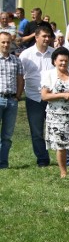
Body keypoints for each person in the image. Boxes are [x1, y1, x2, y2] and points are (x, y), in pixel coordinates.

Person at [40, 47, 69, 178]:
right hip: (55, 116)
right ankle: (63, 172)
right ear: (54, 61)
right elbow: (44, 96)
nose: (63, 63)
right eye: (60, 60)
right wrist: (63, 95)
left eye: (66, 60)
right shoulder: (48, 75)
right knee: (60, 145)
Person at [19, 26, 55, 167]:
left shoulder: (54, 54)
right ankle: (42, 159)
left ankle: (64, 158)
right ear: (36, 37)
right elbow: (20, 76)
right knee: (37, 132)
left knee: (56, 130)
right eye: (44, 36)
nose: (47, 39)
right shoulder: (26, 55)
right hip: (34, 98)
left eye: (49, 36)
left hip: (52, 98)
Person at [0, 31, 24, 169]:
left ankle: (3, 163)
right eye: (3, 42)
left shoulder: (16, 60)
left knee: (7, 136)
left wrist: (17, 96)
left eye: (8, 42)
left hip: (11, 101)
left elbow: (20, 80)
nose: (5, 45)